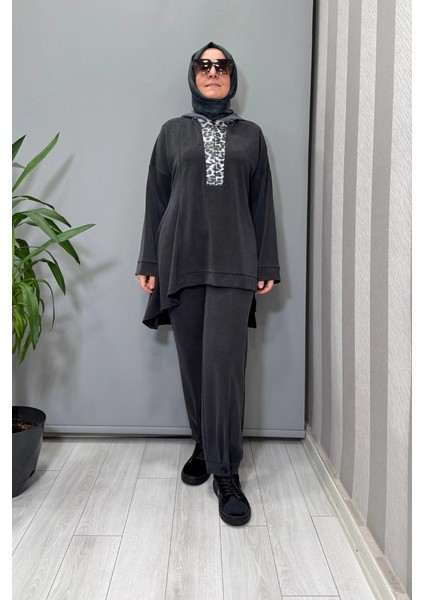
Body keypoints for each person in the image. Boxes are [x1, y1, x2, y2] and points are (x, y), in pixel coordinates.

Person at [136, 42, 280, 527]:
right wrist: (149, 260)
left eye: (221, 66)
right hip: (181, 260)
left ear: (232, 76)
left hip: (235, 263)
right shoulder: (171, 132)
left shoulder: (251, 135)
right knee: (194, 364)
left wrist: (266, 263)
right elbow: (156, 199)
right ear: (193, 75)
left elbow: (262, 203)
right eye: (205, 65)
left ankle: (226, 472)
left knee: (224, 368)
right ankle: (204, 443)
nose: (213, 72)